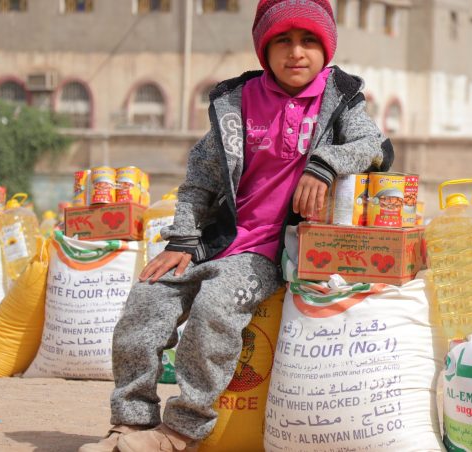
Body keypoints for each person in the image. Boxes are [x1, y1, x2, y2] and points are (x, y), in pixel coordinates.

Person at [79, 0, 393, 450]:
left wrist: (324, 164)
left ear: (327, 48)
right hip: (215, 239)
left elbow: (374, 145)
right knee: (146, 299)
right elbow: (199, 181)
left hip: (269, 252)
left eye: (309, 40)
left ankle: (182, 428)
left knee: (215, 309)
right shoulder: (236, 101)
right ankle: (132, 423)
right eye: (282, 41)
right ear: (264, 49)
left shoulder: (340, 98)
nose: (296, 52)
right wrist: (183, 239)